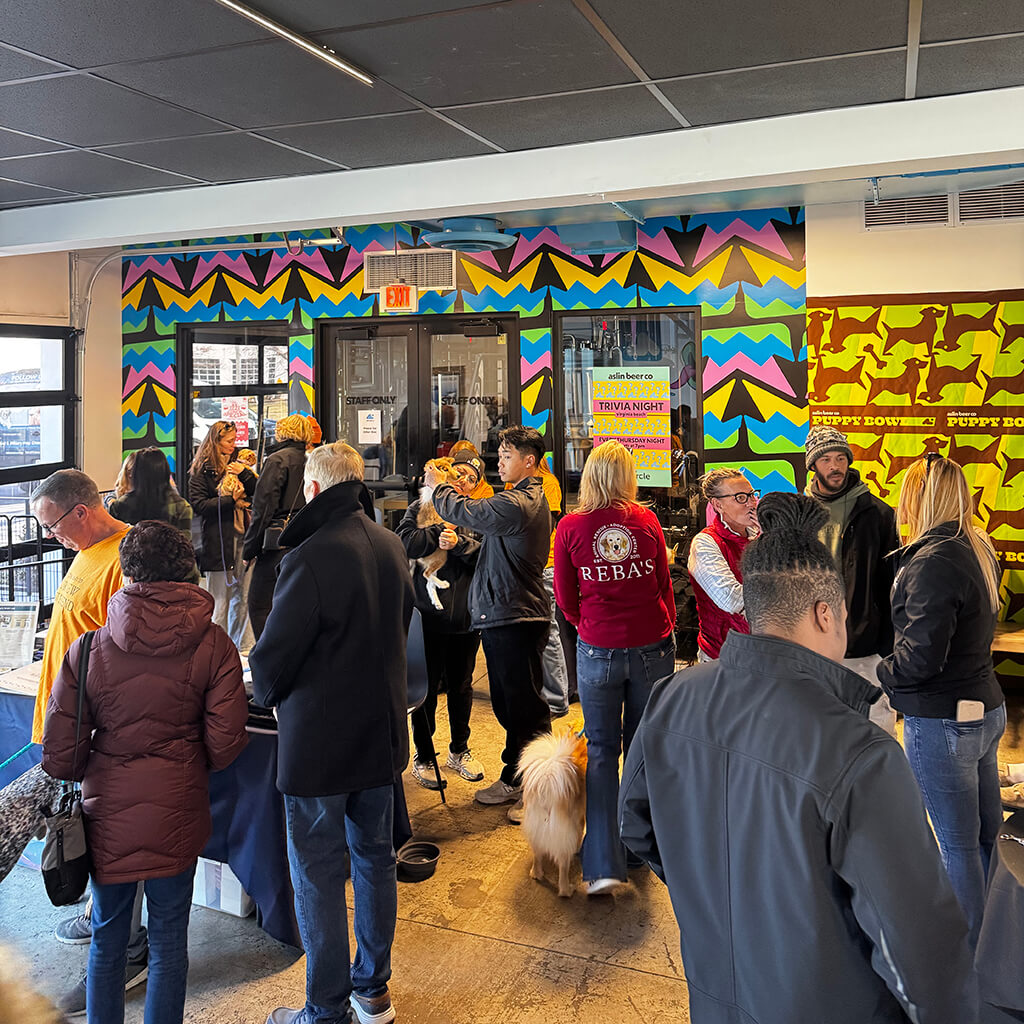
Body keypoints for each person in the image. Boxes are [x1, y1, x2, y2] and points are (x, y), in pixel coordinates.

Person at [620, 493, 978, 1024]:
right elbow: (923, 957)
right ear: (825, 612)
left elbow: (637, 828)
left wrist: (714, 889)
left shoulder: (671, 696)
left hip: (711, 995)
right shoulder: (861, 753)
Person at [41, 521, 248, 1024]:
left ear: (127, 571)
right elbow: (224, 747)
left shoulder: (88, 649)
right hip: (179, 811)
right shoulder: (216, 645)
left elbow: (61, 756)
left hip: (108, 816)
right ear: (187, 569)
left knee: (108, 939)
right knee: (170, 940)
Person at [249, 442, 414, 1024]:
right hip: (383, 735)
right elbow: (400, 630)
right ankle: (373, 991)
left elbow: (273, 659)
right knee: (374, 858)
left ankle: (324, 1007)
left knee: (317, 872)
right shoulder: (390, 544)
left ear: (313, 490)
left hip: (321, 745)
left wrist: (262, 691)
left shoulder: (311, 556)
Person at [29, 470, 147, 1016]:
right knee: (88, 838)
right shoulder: (85, 552)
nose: (49, 535)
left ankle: (123, 947)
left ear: (81, 511)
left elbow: (124, 657)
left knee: (111, 845)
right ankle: (105, 919)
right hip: (70, 727)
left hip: (97, 733)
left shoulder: (124, 559)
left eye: (51, 524)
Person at [877, 455, 1004, 949]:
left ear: (922, 497)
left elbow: (920, 659)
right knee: (985, 837)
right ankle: (996, 941)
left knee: (956, 844)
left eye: (906, 491)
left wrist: (880, 671)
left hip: (945, 720)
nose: (900, 501)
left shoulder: (933, 561)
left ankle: (966, 956)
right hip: (983, 710)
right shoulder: (975, 546)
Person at [553, 441, 675, 895]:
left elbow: (565, 599)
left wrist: (589, 625)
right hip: (652, 646)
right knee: (643, 747)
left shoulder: (569, 526)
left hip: (599, 648)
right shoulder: (646, 522)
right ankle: (639, 845)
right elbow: (664, 584)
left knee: (602, 750)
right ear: (626, 476)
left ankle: (602, 864)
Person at [427, 425, 551, 813]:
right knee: (512, 706)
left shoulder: (519, 502)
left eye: (508, 454)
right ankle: (517, 777)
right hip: (507, 613)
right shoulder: (517, 500)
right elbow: (492, 549)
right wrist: (461, 543)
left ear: (529, 461)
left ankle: (538, 791)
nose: (500, 460)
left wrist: (439, 487)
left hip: (514, 615)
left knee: (524, 709)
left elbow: (466, 510)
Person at [396, 449, 484, 789]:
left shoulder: (478, 514)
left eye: (471, 479)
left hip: (464, 616)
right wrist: (435, 534)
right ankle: (424, 754)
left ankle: (459, 749)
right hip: (425, 617)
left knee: (463, 685)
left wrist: (460, 543)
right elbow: (404, 542)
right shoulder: (420, 507)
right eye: (458, 473)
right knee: (426, 688)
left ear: (476, 487)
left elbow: (487, 557)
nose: (462, 481)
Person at [805, 425, 899, 733]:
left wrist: (886, 642)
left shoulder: (879, 514)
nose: (835, 467)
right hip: (813, 642)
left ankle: (879, 781)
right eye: (826, 459)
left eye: (841, 458)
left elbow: (893, 583)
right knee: (821, 727)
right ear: (813, 465)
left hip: (865, 645)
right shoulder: (800, 513)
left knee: (876, 725)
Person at [242, 414, 314, 640]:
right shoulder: (314, 459)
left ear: (282, 432)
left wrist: (250, 549)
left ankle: (267, 661)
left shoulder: (277, 460)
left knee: (260, 605)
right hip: (307, 540)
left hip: (278, 543)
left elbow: (263, 508)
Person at [187, 420, 256, 650]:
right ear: (215, 442)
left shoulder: (238, 463)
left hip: (242, 537)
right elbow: (198, 505)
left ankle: (240, 649)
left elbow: (258, 490)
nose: (233, 445)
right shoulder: (201, 469)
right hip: (217, 541)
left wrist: (245, 474)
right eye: (228, 441)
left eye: (234, 440)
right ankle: (217, 650)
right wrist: (230, 501)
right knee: (220, 600)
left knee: (244, 598)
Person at [687, 467, 758, 661]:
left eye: (752, 495)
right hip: (721, 656)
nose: (751, 503)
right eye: (741, 498)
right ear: (718, 505)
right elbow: (731, 599)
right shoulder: (705, 543)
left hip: (763, 653)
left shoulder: (760, 537)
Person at [108, 447, 193, 539]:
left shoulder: (118, 507)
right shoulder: (181, 507)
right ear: (165, 471)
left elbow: (114, 543)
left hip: (129, 552)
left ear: (136, 472)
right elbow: (185, 545)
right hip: (168, 553)